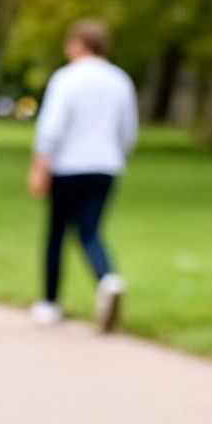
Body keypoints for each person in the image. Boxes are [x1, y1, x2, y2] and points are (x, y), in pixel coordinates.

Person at [28, 19, 138, 332]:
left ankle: (50, 302)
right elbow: (128, 131)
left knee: (57, 234)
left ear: (79, 44)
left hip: (67, 166)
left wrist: (39, 167)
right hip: (106, 166)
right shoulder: (120, 80)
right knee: (90, 231)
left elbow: (51, 128)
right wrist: (116, 156)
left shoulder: (66, 78)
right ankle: (108, 279)